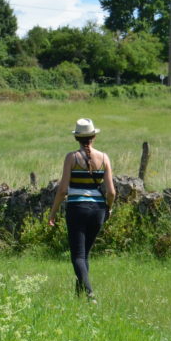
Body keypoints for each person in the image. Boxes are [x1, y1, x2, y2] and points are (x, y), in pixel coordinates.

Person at [48, 118, 116, 300]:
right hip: (98, 210)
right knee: (85, 254)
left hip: (77, 208)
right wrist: (108, 208)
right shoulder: (104, 158)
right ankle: (79, 295)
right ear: (93, 136)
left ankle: (89, 292)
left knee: (77, 256)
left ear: (77, 138)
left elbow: (63, 190)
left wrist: (52, 213)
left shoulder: (72, 158)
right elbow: (111, 192)